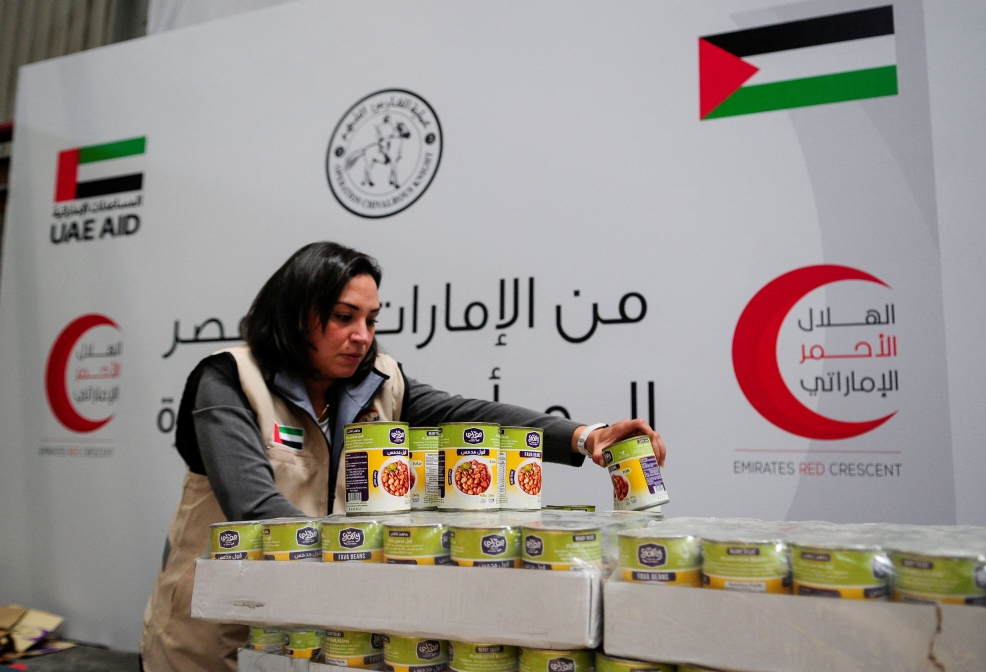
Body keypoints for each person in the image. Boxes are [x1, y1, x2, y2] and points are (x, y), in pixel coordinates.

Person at [140, 242, 665, 672]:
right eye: (344, 317)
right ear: (296, 313)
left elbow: (467, 414)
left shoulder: (379, 381)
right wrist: (385, 574)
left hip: (325, 635)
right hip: (218, 638)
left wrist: (583, 436)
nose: (362, 336)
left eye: (370, 318)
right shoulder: (229, 379)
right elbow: (256, 512)